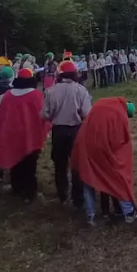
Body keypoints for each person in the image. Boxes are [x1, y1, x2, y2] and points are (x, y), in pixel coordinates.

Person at [73, 98, 137, 225]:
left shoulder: (103, 102)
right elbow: (119, 140)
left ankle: (90, 215)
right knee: (118, 178)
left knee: (88, 177)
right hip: (101, 146)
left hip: (84, 142)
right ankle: (129, 213)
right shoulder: (120, 115)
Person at [0, 68, 49, 202]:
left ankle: (17, 187)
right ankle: (30, 193)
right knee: (30, 164)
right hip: (30, 134)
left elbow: (1, 117)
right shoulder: (36, 95)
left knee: (15, 162)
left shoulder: (8, 95)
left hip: (12, 135)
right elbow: (42, 115)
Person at [43, 60, 92, 205]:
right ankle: (78, 197)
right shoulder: (81, 90)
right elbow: (87, 113)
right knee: (77, 164)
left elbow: (45, 114)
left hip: (58, 131)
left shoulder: (51, 91)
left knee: (60, 164)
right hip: (76, 130)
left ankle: (62, 194)